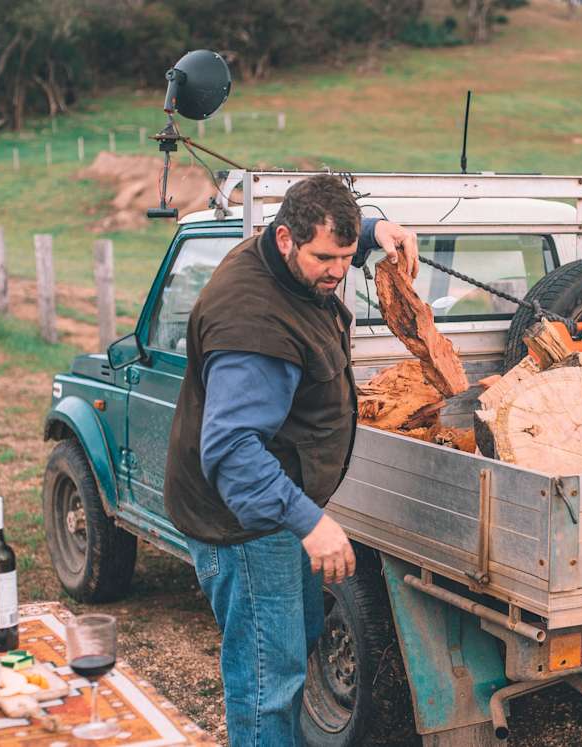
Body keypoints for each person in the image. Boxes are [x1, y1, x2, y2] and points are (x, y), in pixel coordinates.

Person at [163, 174, 418, 746]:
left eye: (346, 257)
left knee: (291, 638)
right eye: (325, 257)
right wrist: (310, 522)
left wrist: (379, 232)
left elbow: (332, 238)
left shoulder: (286, 253)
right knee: (266, 680)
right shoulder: (253, 324)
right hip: (245, 523)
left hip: (279, 507)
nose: (337, 271)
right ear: (285, 240)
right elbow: (230, 452)